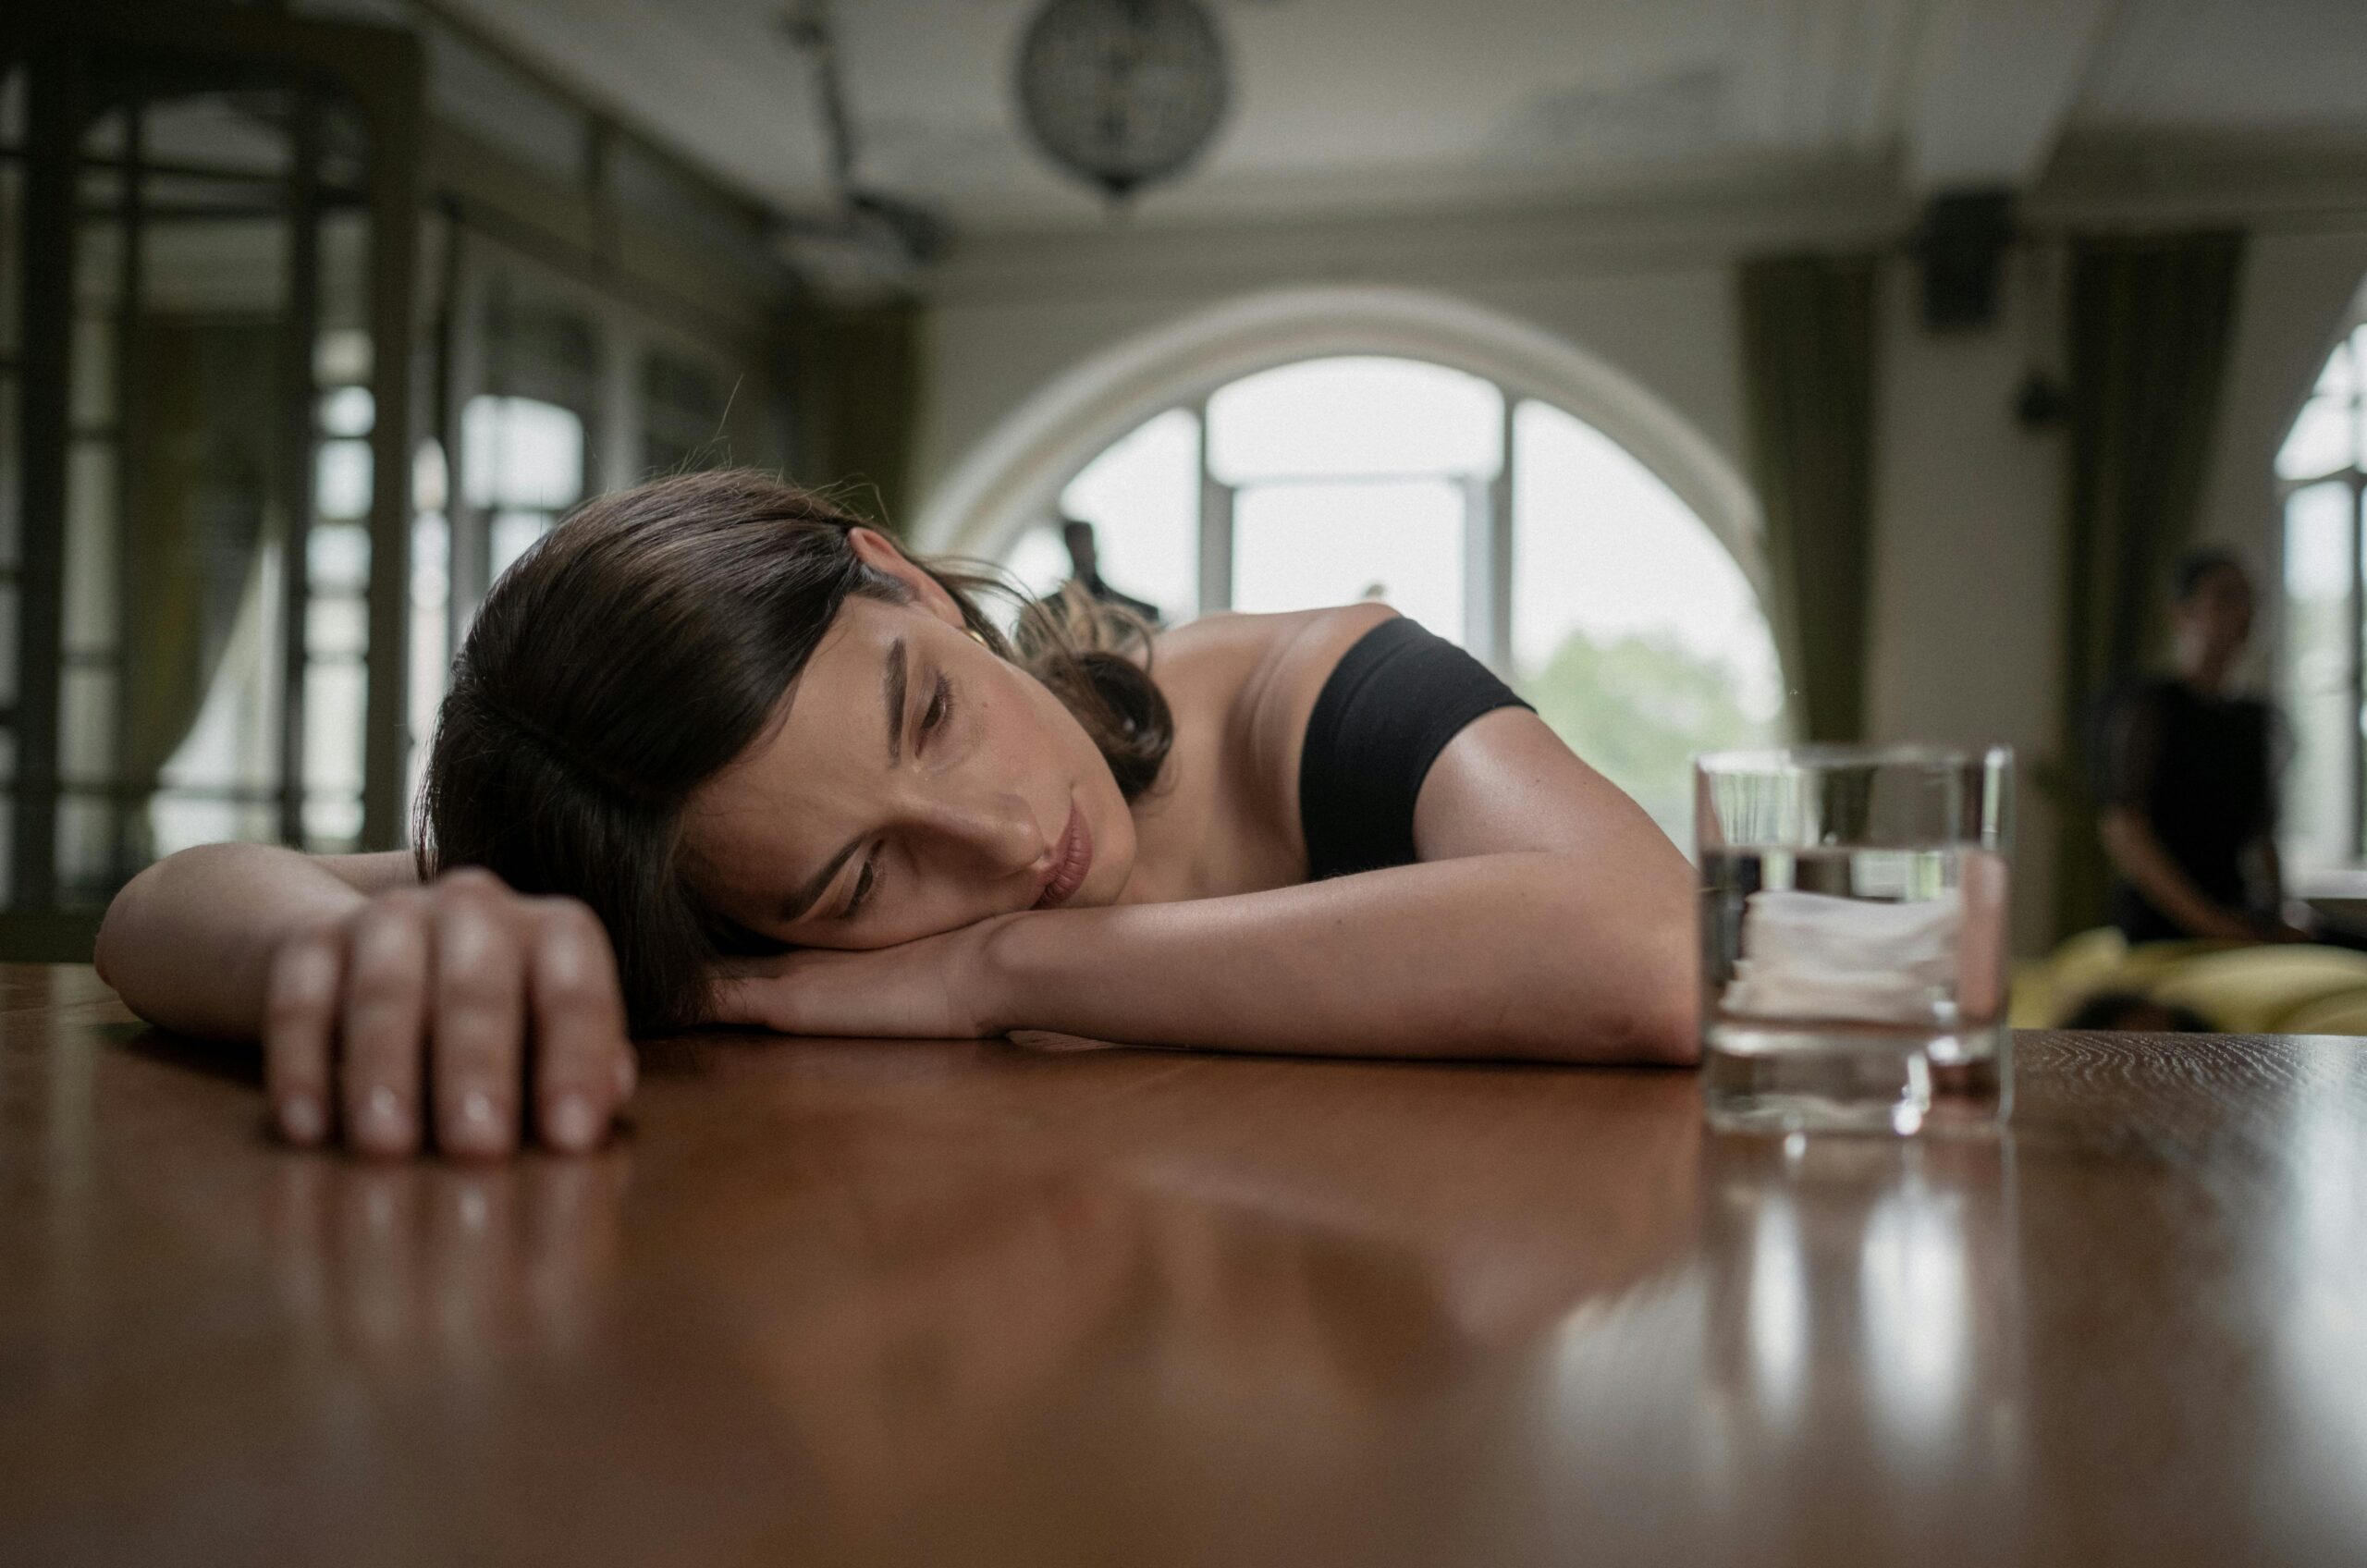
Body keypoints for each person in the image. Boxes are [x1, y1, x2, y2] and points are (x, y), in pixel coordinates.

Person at [93, 471, 1697, 1161]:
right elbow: (175, 905)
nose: (1003, 844)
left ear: (907, 577)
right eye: (862, 878)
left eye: (927, 707)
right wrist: (366, 956)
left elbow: (1655, 948)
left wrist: (993, 970)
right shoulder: (697, 880)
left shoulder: (1307, 689)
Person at [2094, 548, 2303, 945]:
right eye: (2225, 597)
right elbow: (2124, 828)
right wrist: (2214, 926)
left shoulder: (2257, 720)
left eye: (2249, 599)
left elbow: (2263, 834)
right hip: (2163, 921)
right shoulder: (2149, 707)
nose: (2242, 612)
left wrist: (2276, 915)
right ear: (2182, 612)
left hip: (2239, 909)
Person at [1061, 517, 1160, 625]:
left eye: (1085, 541)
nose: (1083, 550)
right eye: (1078, 543)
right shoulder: (1139, 610)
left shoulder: (1141, 611)